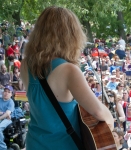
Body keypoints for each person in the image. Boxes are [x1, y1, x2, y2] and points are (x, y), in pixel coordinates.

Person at [20, 6, 114, 150]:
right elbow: (99, 112)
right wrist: (111, 121)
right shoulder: (69, 70)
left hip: (34, 144)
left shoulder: (26, 64)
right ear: (71, 36)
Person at [0, 85, 15, 150]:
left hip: (7, 119)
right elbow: (6, 113)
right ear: (3, 92)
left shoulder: (11, 102)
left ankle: (3, 148)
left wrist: (4, 115)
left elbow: (8, 114)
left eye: (9, 92)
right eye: (5, 91)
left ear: (11, 94)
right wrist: (3, 113)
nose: (6, 93)